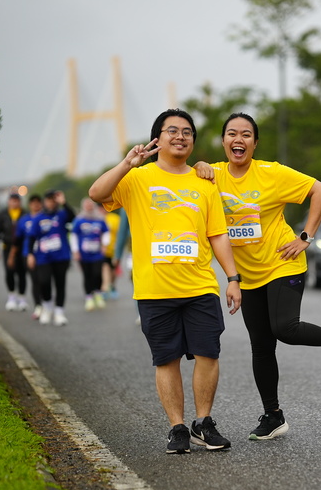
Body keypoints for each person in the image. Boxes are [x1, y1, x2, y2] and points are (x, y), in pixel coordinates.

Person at [194, 112, 321, 441]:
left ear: (255, 143)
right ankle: (273, 416)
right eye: (232, 134)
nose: (238, 139)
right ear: (223, 141)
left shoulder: (271, 173)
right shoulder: (212, 175)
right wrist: (199, 165)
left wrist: (306, 237)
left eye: (246, 134)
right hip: (248, 275)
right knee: (261, 347)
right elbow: (190, 176)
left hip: (283, 262)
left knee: (285, 328)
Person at [89, 108, 242, 454]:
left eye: (187, 132)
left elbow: (218, 234)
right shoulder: (137, 179)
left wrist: (233, 278)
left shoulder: (203, 182)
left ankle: (203, 422)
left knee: (208, 354)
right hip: (154, 289)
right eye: (172, 131)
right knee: (166, 359)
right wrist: (127, 164)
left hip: (200, 286)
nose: (180, 137)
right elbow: (97, 193)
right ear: (157, 139)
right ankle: (177, 428)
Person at [25, 190, 75, 326]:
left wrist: (64, 203)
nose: (51, 202)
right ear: (44, 202)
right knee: (44, 282)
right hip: (43, 257)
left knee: (60, 284)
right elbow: (31, 238)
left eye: (53, 200)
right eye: (48, 200)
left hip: (61, 256)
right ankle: (47, 307)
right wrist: (30, 255)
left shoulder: (61, 215)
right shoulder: (38, 218)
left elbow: (72, 217)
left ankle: (59, 312)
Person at [10, 194, 44, 320]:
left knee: (45, 280)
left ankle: (47, 303)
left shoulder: (46, 217)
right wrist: (12, 255)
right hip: (28, 254)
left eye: (38, 202)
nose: (36, 205)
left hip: (45, 254)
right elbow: (17, 239)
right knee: (35, 281)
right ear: (29, 205)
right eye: (33, 203)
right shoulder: (24, 220)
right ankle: (38, 306)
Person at [0, 192, 29, 311]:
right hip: (7, 247)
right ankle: (12, 296)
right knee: (9, 272)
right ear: (8, 202)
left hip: (22, 247)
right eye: (12, 201)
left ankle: (22, 297)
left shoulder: (24, 214)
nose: (14, 203)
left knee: (22, 273)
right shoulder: (2, 214)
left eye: (16, 201)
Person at [72, 197, 109, 311]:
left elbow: (106, 232)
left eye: (90, 204)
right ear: (83, 206)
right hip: (84, 253)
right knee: (87, 275)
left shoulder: (100, 219)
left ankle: (98, 294)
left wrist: (105, 245)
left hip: (97, 252)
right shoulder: (79, 220)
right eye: (87, 205)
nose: (89, 207)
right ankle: (88, 297)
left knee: (97, 273)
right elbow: (73, 235)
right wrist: (75, 251)